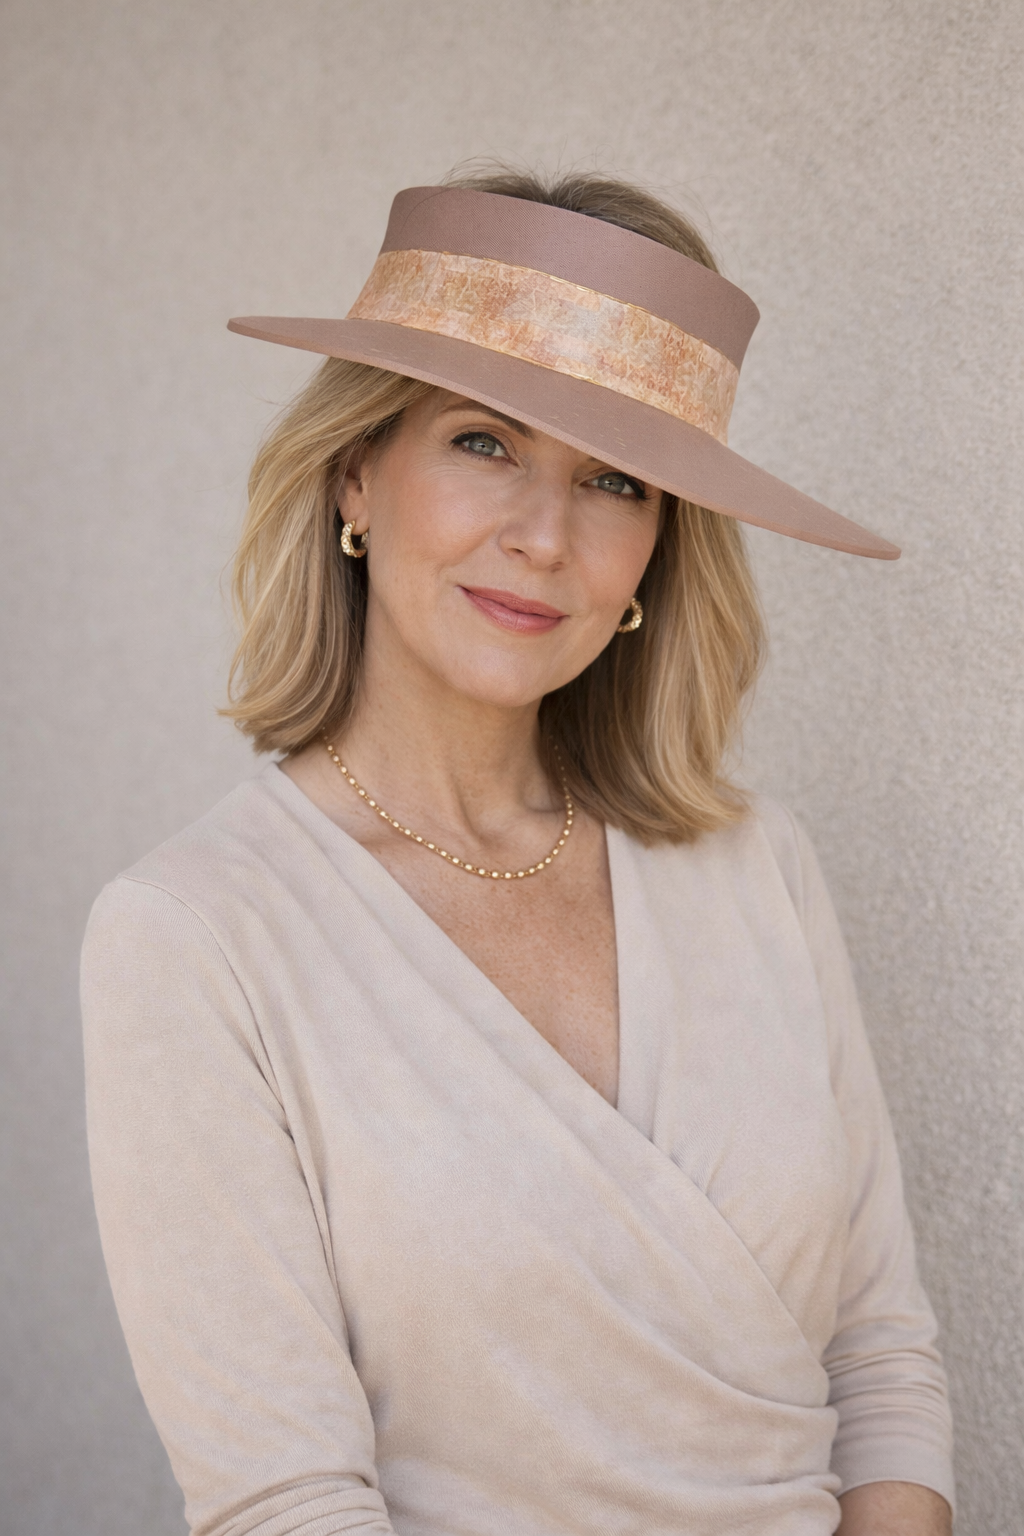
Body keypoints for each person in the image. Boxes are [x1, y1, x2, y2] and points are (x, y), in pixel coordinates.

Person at [81, 169, 954, 1536]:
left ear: (658, 550)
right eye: (485, 443)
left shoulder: (756, 865)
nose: (544, 538)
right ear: (358, 475)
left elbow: (881, 1362)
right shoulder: (196, 934)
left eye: (613, 479)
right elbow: (283, 1499)